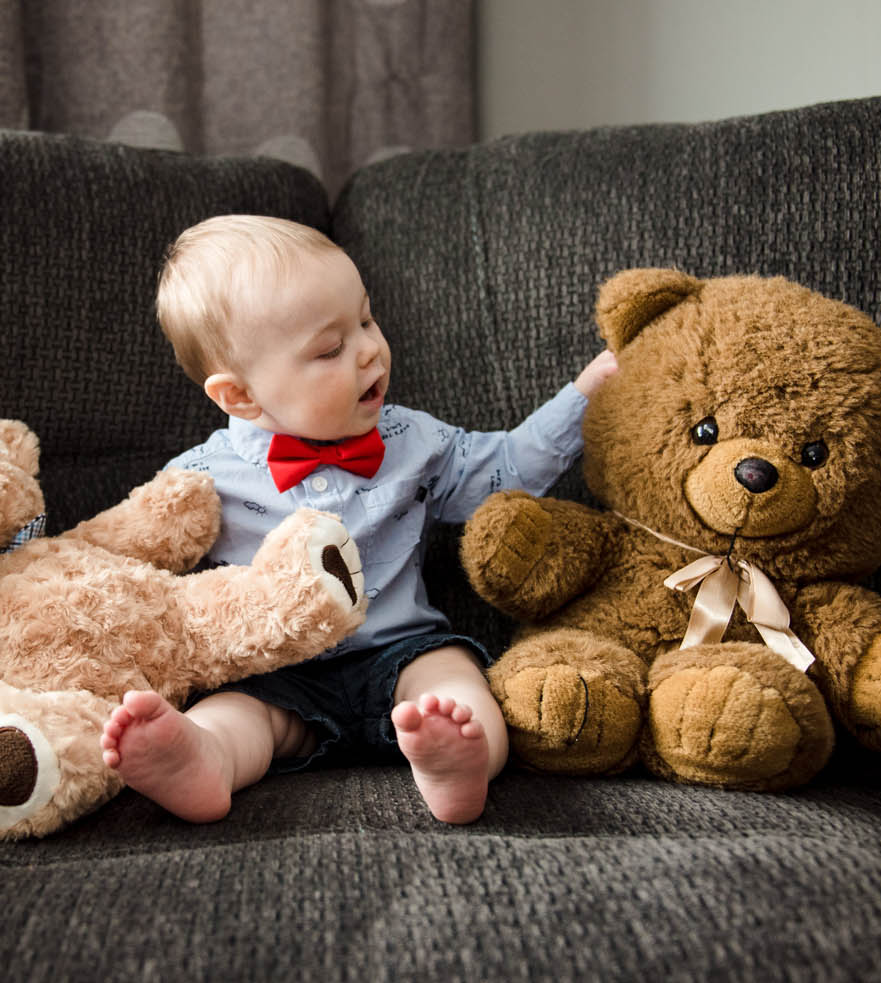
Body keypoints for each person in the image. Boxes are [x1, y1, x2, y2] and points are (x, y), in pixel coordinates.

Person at [100, 214, 617, 825]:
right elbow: (126, 561)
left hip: (403, 651)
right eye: (330, 348)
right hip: (275, 674)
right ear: (240, 396)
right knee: (236, 714)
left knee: (457, 682)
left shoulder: (413, 439)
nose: (369, 348)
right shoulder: (197, 479)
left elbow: (505, 469)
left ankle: (459, 760)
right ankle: (203, 761)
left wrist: (587, 391)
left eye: (366, 319)